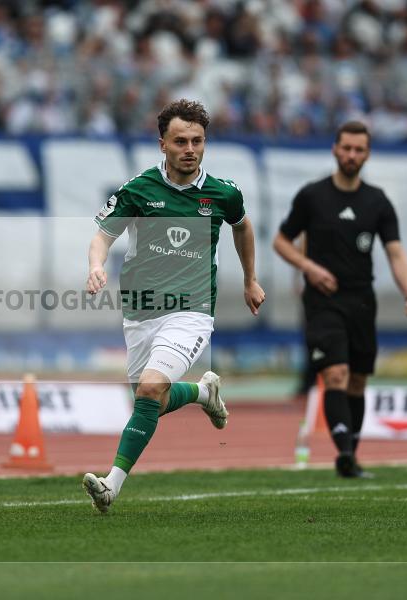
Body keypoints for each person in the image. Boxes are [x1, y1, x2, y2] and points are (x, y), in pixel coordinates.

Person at [82, 99, 266, 512]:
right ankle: (203, 393)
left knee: (150, 388)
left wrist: (250, 279)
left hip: (192, 310)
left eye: (197, 141)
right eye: (181, 141)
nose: (190, 149)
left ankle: (110, 486)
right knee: (151, 401)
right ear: (162, 143)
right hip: (141, 311)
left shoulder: (223, 193)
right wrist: (96, 266)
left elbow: (242, 227)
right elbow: (102, 236)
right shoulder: (139, 189)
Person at [273, 120, 407, 478]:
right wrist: (309, 268)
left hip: (362, 301)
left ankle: (351, 455)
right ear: (335, 150)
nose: (352, 155)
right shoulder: (313, 196)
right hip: (322, 301)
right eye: (347, 148)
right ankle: (342, 453)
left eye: (359, 150)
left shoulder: (377, 201)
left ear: (367, 154)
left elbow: (396, 252)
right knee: (335, 373)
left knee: (357, 380)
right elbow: (281, 241)